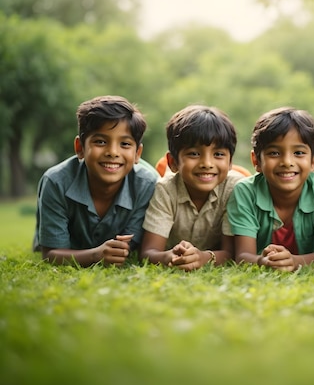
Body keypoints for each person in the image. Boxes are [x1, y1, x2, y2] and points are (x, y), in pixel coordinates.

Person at [33, 95, 158, 267]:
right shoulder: (55, 182)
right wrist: (95, 255)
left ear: (137, 154)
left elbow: (130, 248)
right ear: (80, 148)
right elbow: (51, 253)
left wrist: (118, 251)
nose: (112, 152)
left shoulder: (148, 185)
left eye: (125, 144)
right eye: (100, 141)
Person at [227, 107, 314, 271]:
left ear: (313, 161)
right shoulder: (245, 192)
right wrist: (263, 261)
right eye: (274, 153)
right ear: (256, 161)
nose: (287, 161)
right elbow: (243, 256)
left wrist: (294, 261)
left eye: (299, 153)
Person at [140, 105, 244, 271]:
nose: (207, 164)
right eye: (194, 154)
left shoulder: (235, 189)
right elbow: (149, 252)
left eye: (218, 154)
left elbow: (232, 253)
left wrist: (204, 258)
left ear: (230, 162)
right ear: (173, 162)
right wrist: (167, 257)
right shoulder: (165, 189)